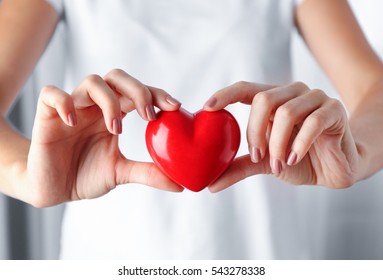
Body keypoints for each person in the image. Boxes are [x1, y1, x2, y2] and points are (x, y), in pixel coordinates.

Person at [0, 0, 382, 259]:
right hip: (104, 258)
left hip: (265, 257)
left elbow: (375, 89)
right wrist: (25, 174)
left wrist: (357, 153)